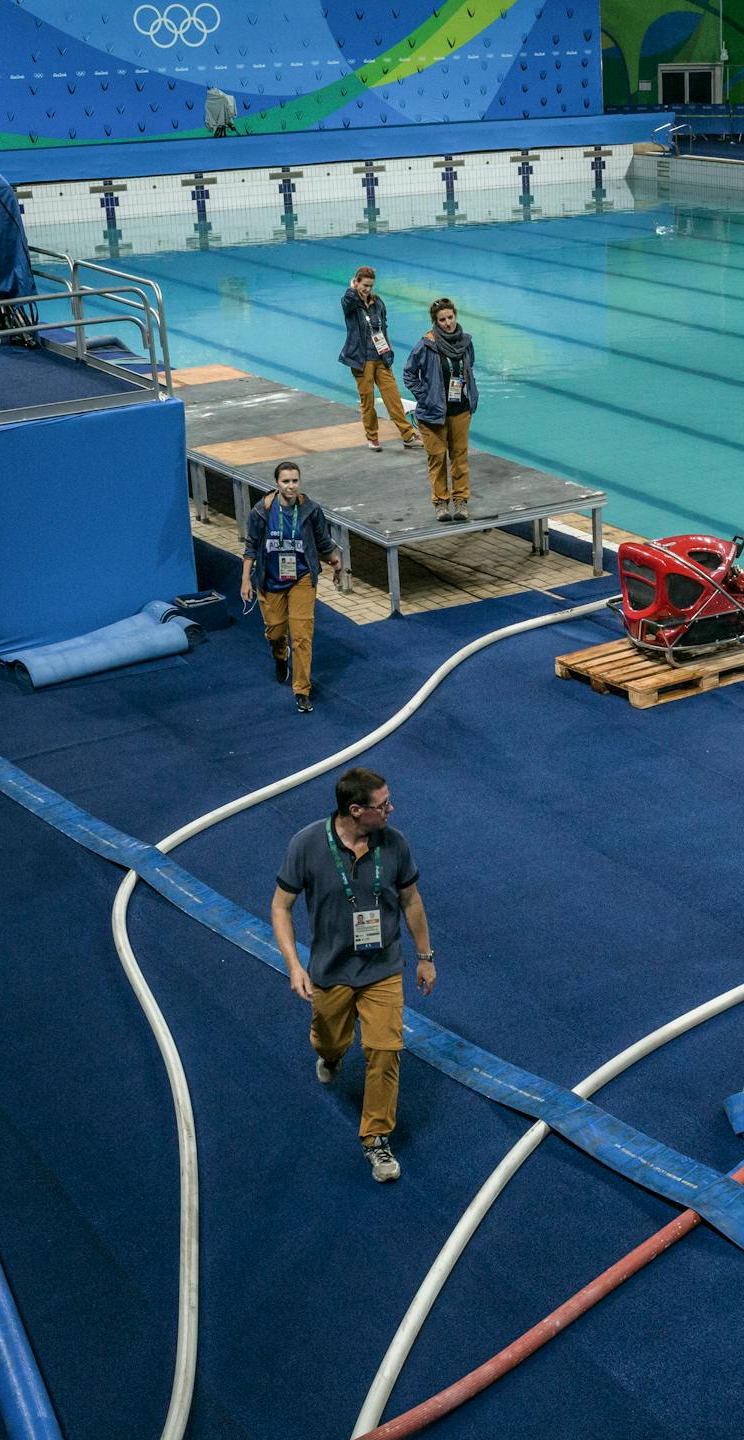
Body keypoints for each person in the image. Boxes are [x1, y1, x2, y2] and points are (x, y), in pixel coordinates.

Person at [270, 767, 436, 1183]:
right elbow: (280, 907)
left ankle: (376, 1139)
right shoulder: (306, 844)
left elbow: (411, 901)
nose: (391, 810)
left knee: (384, 1051)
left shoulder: (394, 844)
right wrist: (293, 965)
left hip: (382, 969)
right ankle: (329, 1053)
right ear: (356, 810)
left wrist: (424, 956)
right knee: (330, 1038)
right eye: (383, 806)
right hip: (331, 971)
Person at [240, 460, 340, 714]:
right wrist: (245, 580)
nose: (291, 486)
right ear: (276, 484)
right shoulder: (261, 511)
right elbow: (250, 546)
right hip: (270, 580)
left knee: (302, 635)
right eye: (286, 481)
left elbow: (322, 541)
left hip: (302, 579)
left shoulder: (311, 510)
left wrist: (336, 564)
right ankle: (279, 655)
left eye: (295, 480)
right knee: (275, 631)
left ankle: (302, 690)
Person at [403, 298, 477, 523]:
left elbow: (469, 367)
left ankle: (461, 500)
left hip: (460, 409)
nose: (447, 323)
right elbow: (409, 374)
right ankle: (440, 502)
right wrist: (426, 396)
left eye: (450, 318)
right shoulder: (427, 344)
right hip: (433, 412)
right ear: (435, 321)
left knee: (459, 457)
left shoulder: (465, 342)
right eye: (442, 319)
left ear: (455, 316)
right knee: (437, 458)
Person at [339, 267, 420, 454]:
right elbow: (349, 300)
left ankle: (408, 436)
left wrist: (389, 352)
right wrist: (352, 288)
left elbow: (384, 328)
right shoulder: (350, 302)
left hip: (380, 358)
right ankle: (372, 437)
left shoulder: (378, 303)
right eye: (364, 285)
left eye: (370, 286)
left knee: (393, 397)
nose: (367, 289)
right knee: (367, 400)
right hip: (361, 360)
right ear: (356, 282)